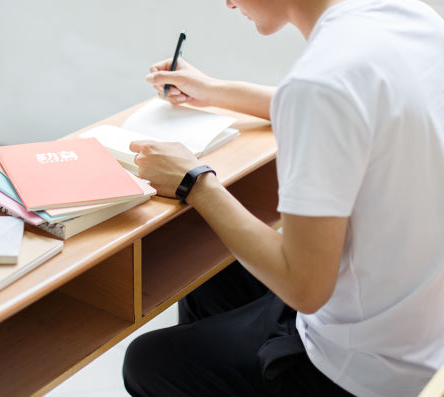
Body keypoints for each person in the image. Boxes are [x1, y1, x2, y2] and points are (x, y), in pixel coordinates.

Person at [122, 0, 444, 395]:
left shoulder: (321, 82)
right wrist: (213, 91)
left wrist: (194, 182)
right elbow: (346, 106)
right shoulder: (411, 16)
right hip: (421, 325)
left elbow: (305, 290)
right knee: (207, 263)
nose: (228, 2)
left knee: (148, 361)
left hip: (362, 369)